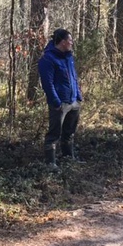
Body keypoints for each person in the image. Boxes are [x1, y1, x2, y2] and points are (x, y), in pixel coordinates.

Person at [38, 28, 84, 167]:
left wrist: (78, 96)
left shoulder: (69, 57)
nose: (72, 43)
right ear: (63, 42)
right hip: (60, 103)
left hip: (73, 101)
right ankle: (51, 163)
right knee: (54, 134)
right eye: (70, 40)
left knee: (69, 132)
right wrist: (56, 102)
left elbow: (73, 77)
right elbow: (47, 83)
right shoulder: (48, 59)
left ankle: (68, 158)